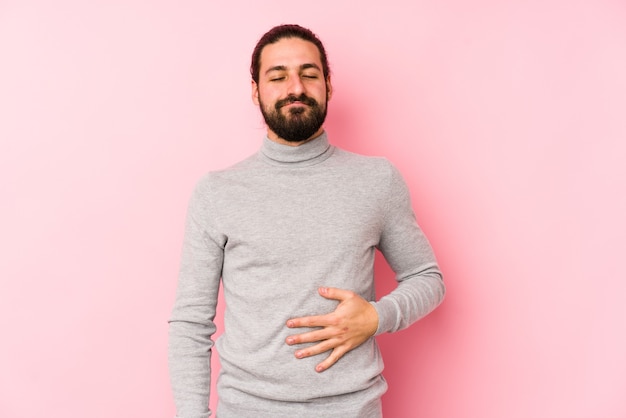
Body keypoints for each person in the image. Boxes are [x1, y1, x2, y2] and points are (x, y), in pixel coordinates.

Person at [168, 24, 445, 418]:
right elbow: (191, 322)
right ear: (255, 91)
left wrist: (376, 316)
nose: (294, 87)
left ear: (328, 85)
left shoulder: (377, 181)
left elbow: (427, 277)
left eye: (309, 74)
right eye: (277, 76)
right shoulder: (217, 192)